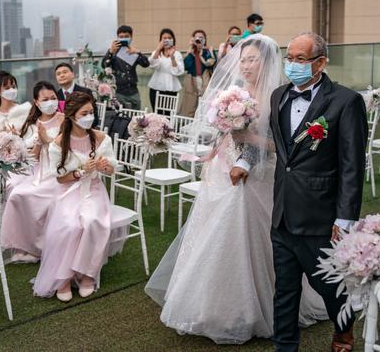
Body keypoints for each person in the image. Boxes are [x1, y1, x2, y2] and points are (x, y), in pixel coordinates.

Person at [145, 34, 328, 345]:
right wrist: (214, 153)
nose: (245, 65)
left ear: (267, 61)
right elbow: (226, 132)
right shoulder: (236, 93)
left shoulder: (277, 97)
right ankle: (210, 305)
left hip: (254, 177)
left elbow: (281, 147)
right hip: (225, 168)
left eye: (252, 59)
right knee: (211, 234)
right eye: (242, 59)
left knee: (245, 234)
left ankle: (248, 309)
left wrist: (247, 154)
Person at [232, 32, 368, 352]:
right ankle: (285, 347)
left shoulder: (346, 101)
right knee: (285, 290)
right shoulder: (279, 95)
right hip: (281, 212)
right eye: (289, 58)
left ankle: (343, 332)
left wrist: (345, 218)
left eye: (301, 59)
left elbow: (352, 166)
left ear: (320, 63)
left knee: (329, 285)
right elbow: (281, 152)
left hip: (320, 214)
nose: (292, 64)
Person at [33, 92, 116, 302]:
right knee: (69, 225)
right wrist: (80, 171)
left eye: (91, 112)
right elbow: (61, 180)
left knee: (92, 221)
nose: (90, 117)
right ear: (71, 115)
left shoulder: (101, 138)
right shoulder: (59, 143)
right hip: (68, 192)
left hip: (94, 190)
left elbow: (111, 170)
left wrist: (104, 167)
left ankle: (87, 273)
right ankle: (63, 276)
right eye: (84, 113)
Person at [1, 81, 64, 263]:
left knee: (27, 195)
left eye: (53, 98)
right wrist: (17, 141)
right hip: (38, 171)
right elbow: (34, 157)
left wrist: (47, 141)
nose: (50, 102)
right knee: (16, 195)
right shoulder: (34, 123)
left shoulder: (64, 119)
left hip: (56, 171)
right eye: (45, 99)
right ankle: (23, 244)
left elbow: (67, 150)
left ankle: (39, 247)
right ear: (36, 102)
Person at [101, 25, 150, 110]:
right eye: (121, 37)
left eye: (126, 36)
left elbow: (146, 64)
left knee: (136, 116)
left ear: (131, 37)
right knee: (121, 117)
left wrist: (138, 52)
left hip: (133, 90)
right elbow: (104, 65)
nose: (124, 39)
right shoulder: (114, 52)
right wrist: (110, 52)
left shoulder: (133, 51)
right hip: (119, 91)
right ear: (117, 38)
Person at [179, 29, 215, 117]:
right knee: (190, 106)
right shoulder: (191, 52)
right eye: (197, 38)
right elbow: (186, 66)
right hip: (192, 81)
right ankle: (189, 125)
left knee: (205, 107)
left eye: (201, 38)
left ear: (205, 40)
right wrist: (191, 51)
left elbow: (211, 64)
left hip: (205, 81)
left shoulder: (208, 51)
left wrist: (203, 52)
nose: (199, 39)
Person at [148, 28, 184, 114]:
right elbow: (152, 65)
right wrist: (158, 49)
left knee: (169, 114)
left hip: (171, 87)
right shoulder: (156, 52)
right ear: (160, 40)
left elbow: (178, 71)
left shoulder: (177, 54)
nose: (167, 40)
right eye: (164, 38)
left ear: (173, 40)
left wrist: (172, 57)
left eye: (169, 38)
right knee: (156, 114)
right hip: (156, 87)